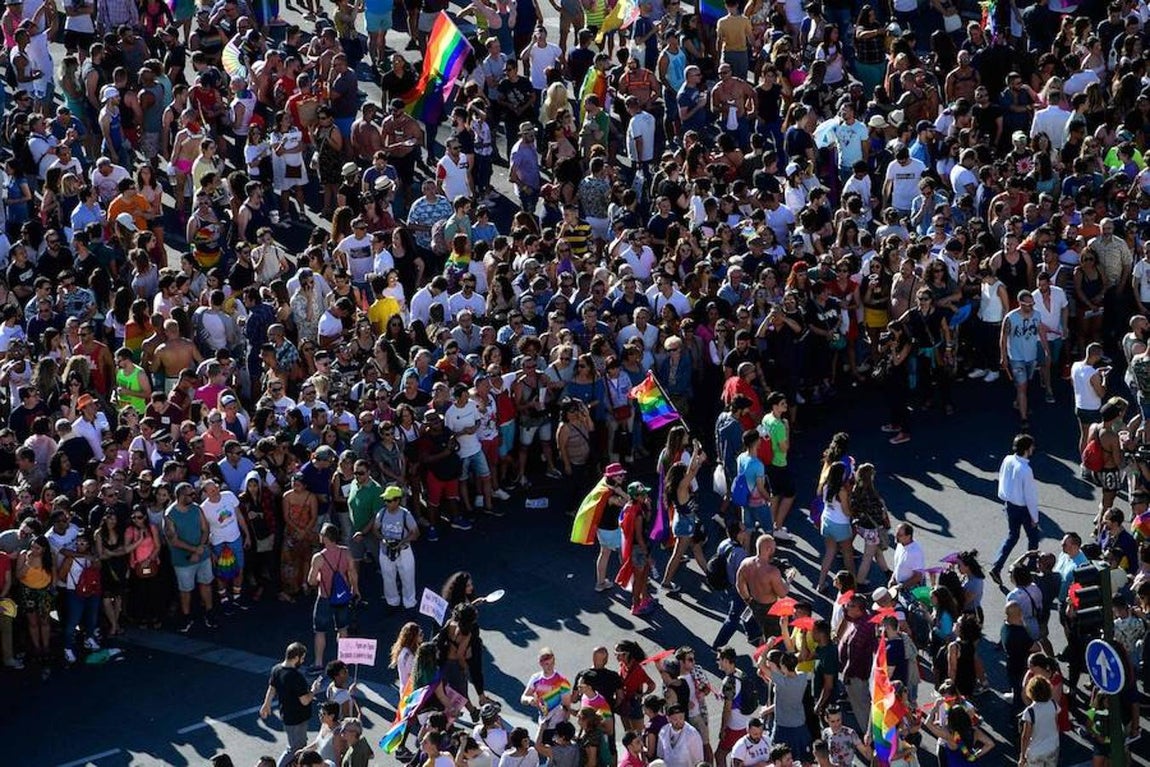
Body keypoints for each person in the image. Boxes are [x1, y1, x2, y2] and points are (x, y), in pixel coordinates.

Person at [259, 641, 325, 767]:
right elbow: (305, 700)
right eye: (302, 658)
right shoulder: (296, 676)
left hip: (286, 715)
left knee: (298, 745)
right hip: (298, 718)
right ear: (296, 658)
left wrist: (266, 704)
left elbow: (271, 689)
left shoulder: (276, 669)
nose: (303, 661)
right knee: (295, 749)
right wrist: (314, 690)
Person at [990, 434, 1042, 585]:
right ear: (1027, 449)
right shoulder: (1026, 470)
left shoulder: (1008, 459)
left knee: (1012, 536)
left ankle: (997, 566)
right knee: (1033, 538)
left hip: (1010, 505)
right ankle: (1031, 570)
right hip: (1023, 509)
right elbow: (1030, 496)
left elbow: (1002, 478)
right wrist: (1035, 517)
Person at [356, 483, 419, 609]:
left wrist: (401, 542)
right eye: (385, 500)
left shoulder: (405, 515)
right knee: (388, 578)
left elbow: (416, 533)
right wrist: (384, 540)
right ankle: (392, 602)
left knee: (407, 578)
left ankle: (409, 603)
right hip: (386, 551)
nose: (387, 503)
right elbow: (375, 530)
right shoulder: (382, 513)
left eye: (389, 500)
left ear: (397, 501)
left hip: (404, 552)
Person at [307, 522, 359, 670]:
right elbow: (352, 573)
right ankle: (342, 662)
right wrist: (355, 590)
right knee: (343, 629)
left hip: (324, 597)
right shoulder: (346, 552)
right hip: (342, 597)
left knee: (320, 631)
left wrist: (319, 578)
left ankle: (318, 663)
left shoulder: (318, 557)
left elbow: (311, 581)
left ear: (325, 538)